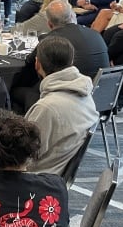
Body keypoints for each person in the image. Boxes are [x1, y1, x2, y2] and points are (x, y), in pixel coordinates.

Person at [11, 0, 109, 112]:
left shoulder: (52, 39)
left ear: (49, 24)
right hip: (99, 97)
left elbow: (29, 62)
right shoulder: (95, 34)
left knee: (13, 89)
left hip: (65, 99)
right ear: (73, 15)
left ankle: (31, 125)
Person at [24, 36, 98, 174]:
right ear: (71, 61)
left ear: (37, 64)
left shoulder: (47, 108)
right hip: (55, 169)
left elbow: (22, 156)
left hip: (31, 177)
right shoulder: (85, 92)